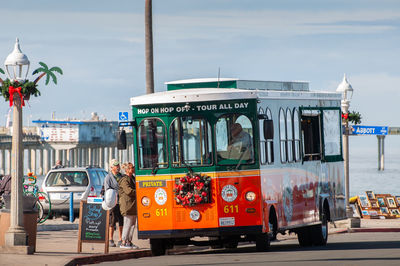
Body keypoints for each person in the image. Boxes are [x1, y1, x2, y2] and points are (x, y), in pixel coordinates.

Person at [104, 159, 124, 247]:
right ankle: (110, 239)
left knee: (121, 220)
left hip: (121, 201)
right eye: (116, 166)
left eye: (118, 165)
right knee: (112, 221)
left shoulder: (122, 176)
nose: (118, 167)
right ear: (111, 167)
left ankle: (121, 239)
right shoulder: (108, 177)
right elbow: (107, 189)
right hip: (113, 202)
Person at [118, 162, 139, 249]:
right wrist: (138, 191)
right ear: (127, 170)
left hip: (133, 205)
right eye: (131, 168)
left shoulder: (133, 178)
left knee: (133, 224)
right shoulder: (124, 179)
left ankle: (129, 242)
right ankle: (123, 242)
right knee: (127, 224)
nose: (133, 169)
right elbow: (128, 191)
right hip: (127, 205)